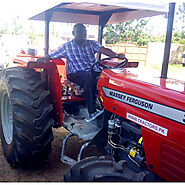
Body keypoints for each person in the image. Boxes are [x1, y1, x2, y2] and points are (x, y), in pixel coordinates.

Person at [37, 23, 126, 122]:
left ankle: (113, 110)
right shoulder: (67, 46)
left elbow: (103, 50)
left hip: (93, 71)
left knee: (110, 77)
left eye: (84, 32)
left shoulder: (92, 44)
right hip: (75, 73)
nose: (82, 34)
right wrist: (43, 59)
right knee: (88, 77)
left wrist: (116, 55)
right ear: (73, 33)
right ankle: (91, 111)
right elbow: (53, 55)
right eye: (79, 32)